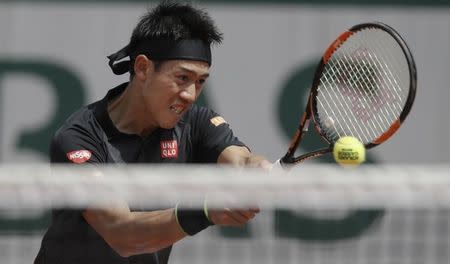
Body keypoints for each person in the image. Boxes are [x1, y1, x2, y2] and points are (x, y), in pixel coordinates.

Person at [34, 1, 271, 264]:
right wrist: (204, 211)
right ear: (143, 68)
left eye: (200, 82)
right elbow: (121, 233)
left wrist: (259, 169)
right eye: (182, 78)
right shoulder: (79, 137)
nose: (191, 95)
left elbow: (241, 160)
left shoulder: (196, 123)